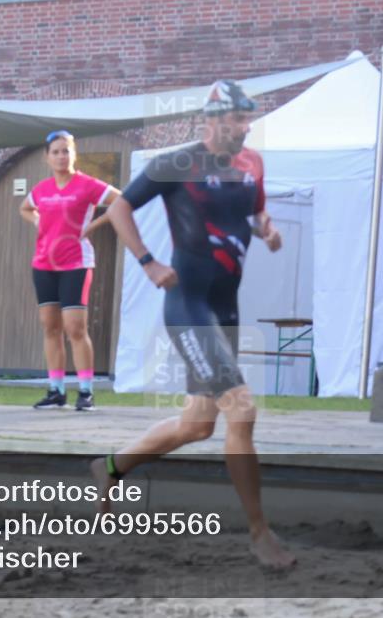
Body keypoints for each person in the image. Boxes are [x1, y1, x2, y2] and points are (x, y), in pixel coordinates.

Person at [91, 80, 295, 569]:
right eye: (237, 120)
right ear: (212, 120)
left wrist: (266, 227)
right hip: (188, 305)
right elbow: (119, 207)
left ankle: (110, 466)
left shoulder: (252, 165)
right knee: (242, 410)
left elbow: (254, 209)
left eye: (249, 120)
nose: (245, 129)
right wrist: (148, 262)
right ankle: (260, 533)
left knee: (198, 424)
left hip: (225, 307)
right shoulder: (176, 165)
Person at [20, 130, 121, 411]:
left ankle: (86, 392)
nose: (61, 156)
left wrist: (93, 226)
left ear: (74, 154)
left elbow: (124, 200)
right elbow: (25, 208)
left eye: (66, 151)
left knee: (75, 328)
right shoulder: (41, 189)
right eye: (56, 152)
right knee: (50, 328)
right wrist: (38, 222)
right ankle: (56, 390)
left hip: (76, 263)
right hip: (43, 264)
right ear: (47, 157)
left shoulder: (87, 185)